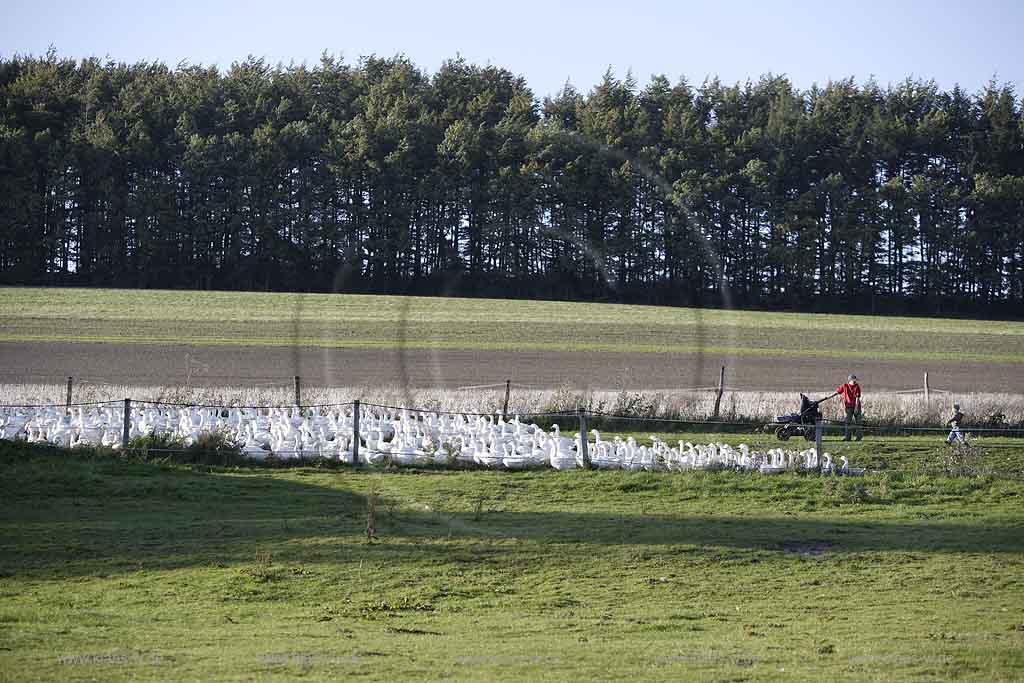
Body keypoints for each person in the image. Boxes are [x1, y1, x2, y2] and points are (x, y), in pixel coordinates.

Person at [827, 374, 863, 441]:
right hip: (848, 407)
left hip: (856, 406)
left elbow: (857, 398)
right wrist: (829, 397)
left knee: (858, 422)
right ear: (850, 380)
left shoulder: (857, 386)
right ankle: (847, 437)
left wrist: (856, 408)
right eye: (854, 380)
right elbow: (837, 392)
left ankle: (859, 437)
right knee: (847, 422)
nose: (855, 381)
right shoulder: (845, 386)